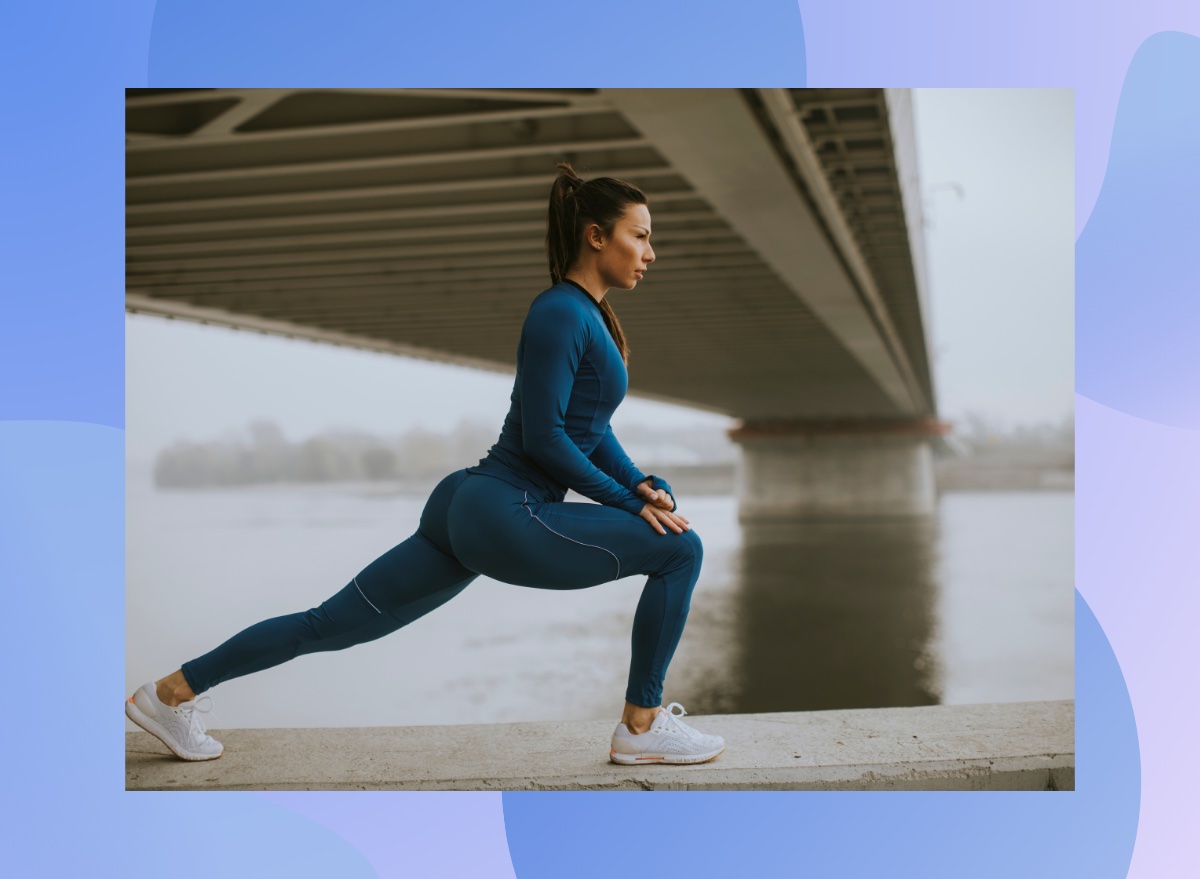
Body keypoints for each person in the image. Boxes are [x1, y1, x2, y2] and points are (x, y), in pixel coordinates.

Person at [126, 162, 724, 768]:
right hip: (505, 511)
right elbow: (545, 441)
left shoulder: (584, 314)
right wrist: (629, 504)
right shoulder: (561, 312)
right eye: (640, 235)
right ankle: (642, 728)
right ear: (597, 236)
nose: (650, 252)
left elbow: (587, 430)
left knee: (329, 624)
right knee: (681, 550)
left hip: (469, 506)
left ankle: (169, 694)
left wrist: (638, 483)